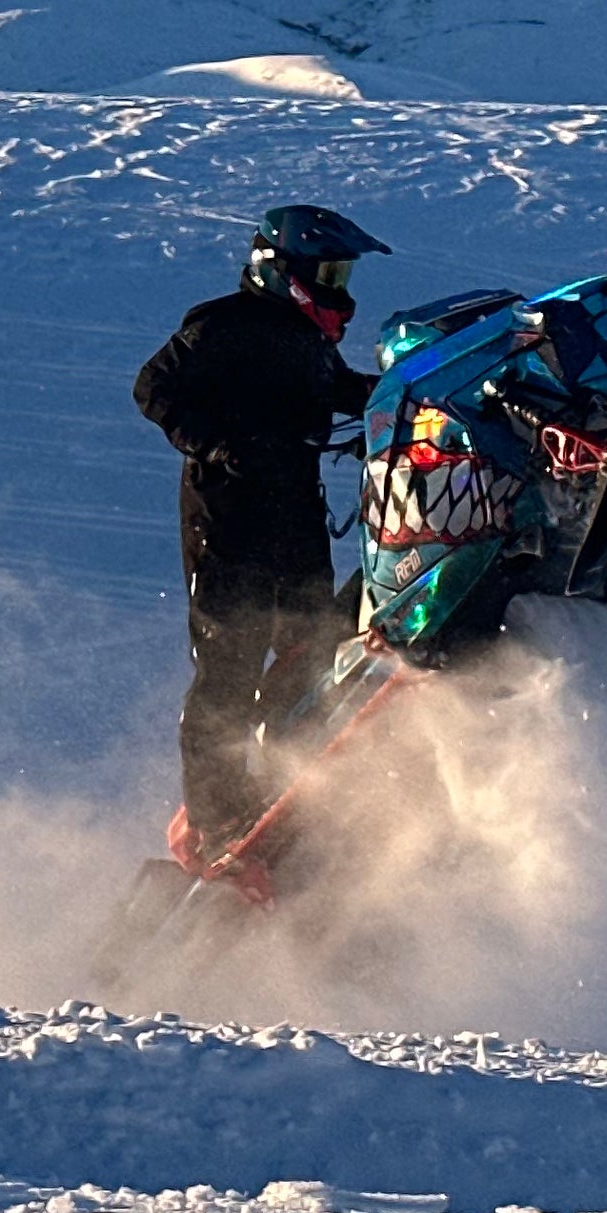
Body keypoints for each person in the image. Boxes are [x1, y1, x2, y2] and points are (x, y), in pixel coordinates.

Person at [132, 202, 387, 862]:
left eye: (342, 272)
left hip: (295, 519)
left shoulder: (307, 343)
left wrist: (411, 397)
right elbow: (154, 387)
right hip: (228, 522)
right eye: (328, 271)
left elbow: (349, 392)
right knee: (228, 668)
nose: (340, 288)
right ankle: (217, 816)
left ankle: (287, 773)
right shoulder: (223, 323)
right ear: (283, 270)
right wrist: (216, 444)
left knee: (315, 644)